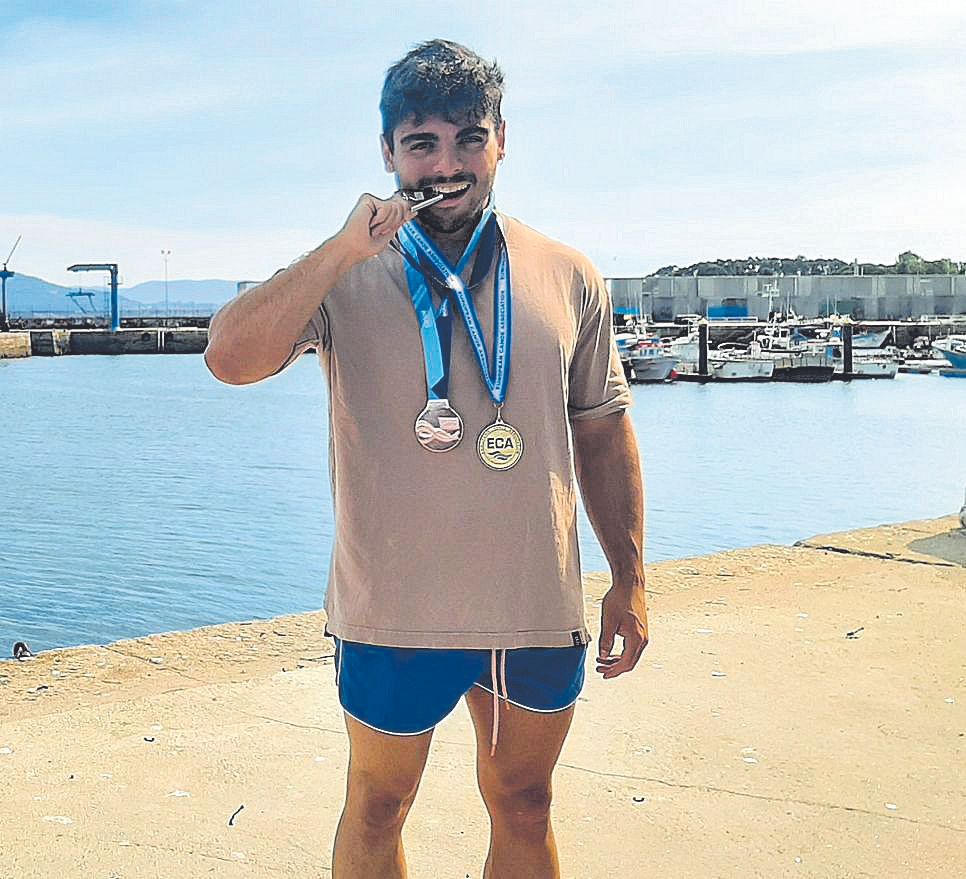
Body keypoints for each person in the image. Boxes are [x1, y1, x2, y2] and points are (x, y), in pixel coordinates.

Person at [205, 39, 648, 879]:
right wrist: (341, 250)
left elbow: (603, 429)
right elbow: (229, 357)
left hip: (533, 599)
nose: (447, 165)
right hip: (393, 607)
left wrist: (630, 576)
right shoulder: (343, 273)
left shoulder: (566, 272)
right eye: (422, 144)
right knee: (377, 805)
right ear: (388, 152)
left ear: (502, 141)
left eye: (467, 140)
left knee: (525, 800)